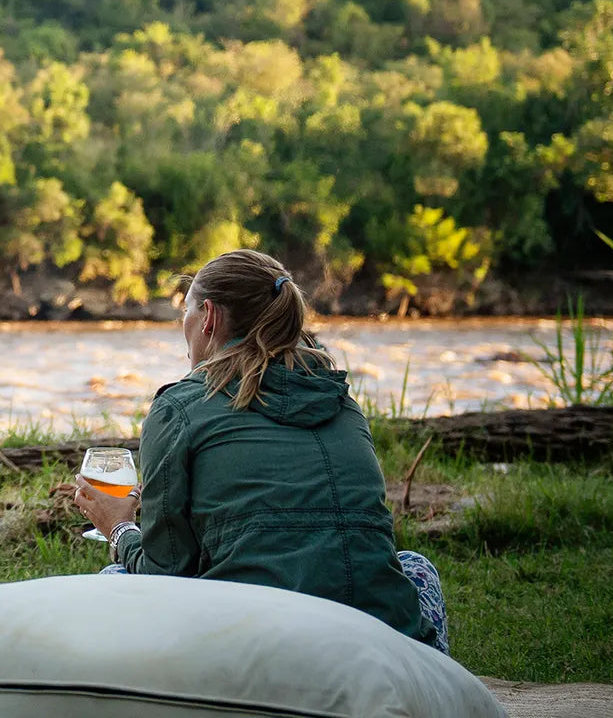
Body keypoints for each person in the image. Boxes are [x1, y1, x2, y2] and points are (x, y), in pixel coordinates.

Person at [57, 249, 450, 653]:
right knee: (415, 566)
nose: (184, 326)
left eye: (186, 312)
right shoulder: (342, 403)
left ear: (208, 317)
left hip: (256, 653)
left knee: (113, 581)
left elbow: (166, 573)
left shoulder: (179, 408)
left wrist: (119, 528)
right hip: (390, 648)